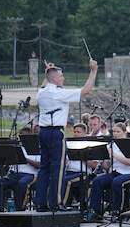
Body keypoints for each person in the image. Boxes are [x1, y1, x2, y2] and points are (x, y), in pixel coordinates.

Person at [35, 59, 97, 212]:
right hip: (55, 132)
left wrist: (47, 71)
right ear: (55, 79)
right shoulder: (59, 93)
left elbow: (45, 83)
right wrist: (93, 71)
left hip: (43, 131)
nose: (63, 78)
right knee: (59, 167)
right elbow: (85, 91)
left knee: (44, 167)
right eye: (61, 76)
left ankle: (40, 202)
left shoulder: (42, 92)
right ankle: (56, 202)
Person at [89, 122, 130, 218]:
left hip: (129, 172)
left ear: (125, 132)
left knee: (116, 182)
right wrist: (101, 160)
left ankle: (119, 210)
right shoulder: (111, 145)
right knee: (97, 181)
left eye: (118, 132)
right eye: (114, 131)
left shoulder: (129, 144)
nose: (115, 134)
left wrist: (113, 154)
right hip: (114, 172)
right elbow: (107, 166)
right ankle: (96, 210)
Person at [0, 127, 40, 211]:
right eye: (20, 136)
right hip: (15, 174)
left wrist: (24, 159)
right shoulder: (16, 148)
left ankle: (20, 208)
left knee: (22, 183)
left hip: (31, 174)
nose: (21, 138)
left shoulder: (35, 148)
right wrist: (7, 162)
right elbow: (6, 170)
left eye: (23, 136)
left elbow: (39, 166)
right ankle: (1, 208)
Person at [61, 123, 100, 208]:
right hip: (70, 171)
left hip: (83, 173)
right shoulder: (70, 144)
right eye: (75, 132)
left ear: (85, 133)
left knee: (67, 181)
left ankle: (63, 205)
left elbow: (94, 165)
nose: (76, 134)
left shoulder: (91, 145)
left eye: (78, 132)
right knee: (58, 179)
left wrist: (82, 157)